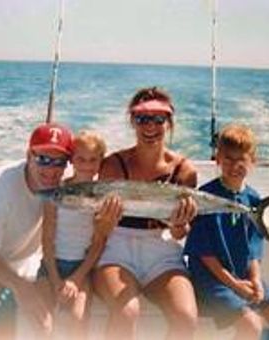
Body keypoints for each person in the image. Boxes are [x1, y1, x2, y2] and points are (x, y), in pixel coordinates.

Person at [92, 87, 198, 340]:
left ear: (169, 122)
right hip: (116, 247)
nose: (150, 126)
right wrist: (105, 221)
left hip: (162, 252)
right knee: (126, 312)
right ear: (133, 121)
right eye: (142, 119)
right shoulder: (113, 165)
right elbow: (100, 230)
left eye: (158, 119)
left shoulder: (185, 171)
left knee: (186, 318)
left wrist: (178, 225)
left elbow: (180, 233)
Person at [0, 122, 74, 339]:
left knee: (8, 321)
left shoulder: (64, 191)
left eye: (59, 162)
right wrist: (22, 288)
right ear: (29, 155)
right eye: (43, 159)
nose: (50, 170)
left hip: (13, 263)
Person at [184, 124, 269, 340]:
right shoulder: (204, 197)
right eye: (229, 159)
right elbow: (204, 254)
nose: (235, 165)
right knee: (250, 325)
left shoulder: (253, 200)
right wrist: (236, 286)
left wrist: (256, 280)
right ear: (218, 158)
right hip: (211, 279)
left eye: (242, 159)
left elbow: (254, 250)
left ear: (253, 161)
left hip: (242, 274)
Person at [38, 130, 122, 340]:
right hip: (50, 266)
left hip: (83, 268)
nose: (86, 165)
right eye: (81, 159)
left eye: (93, 160)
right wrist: (56, 279)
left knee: (78, 319)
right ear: (71, 160)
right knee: (42, 320)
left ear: (101, 162)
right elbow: (46, 239)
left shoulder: (104, 198)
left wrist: (76, 279)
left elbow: (99, 243)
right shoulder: (56, 193)